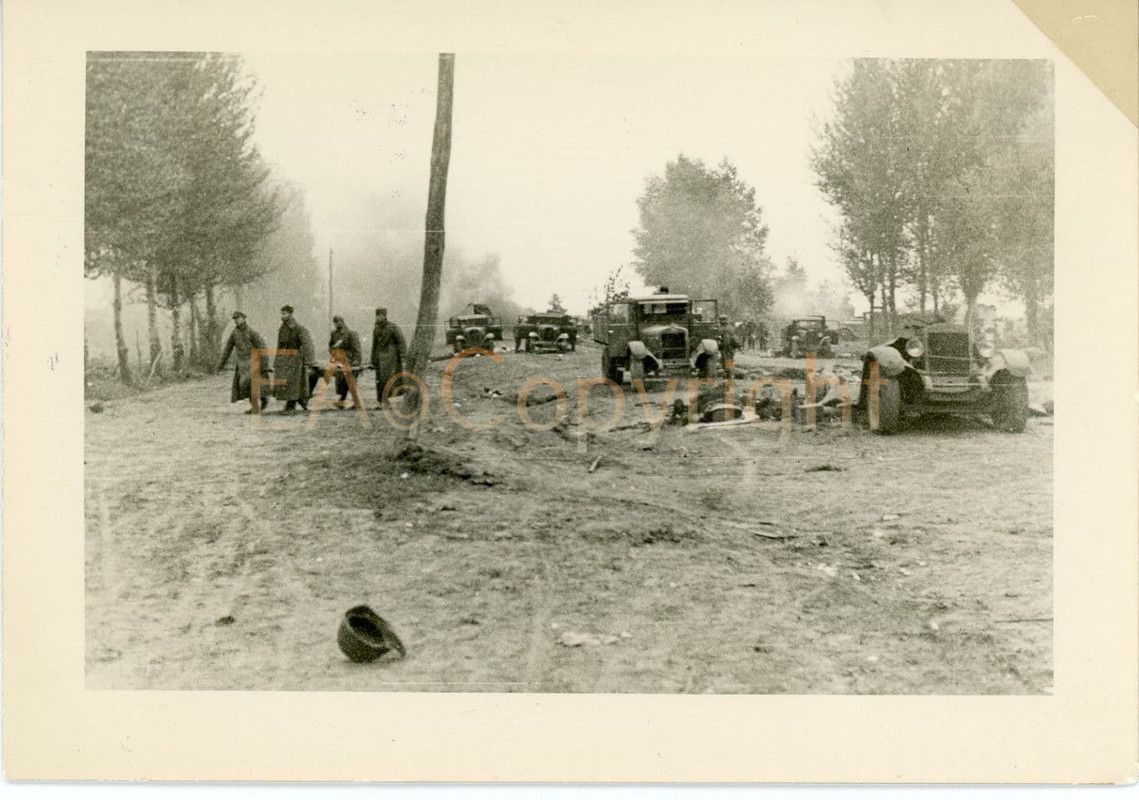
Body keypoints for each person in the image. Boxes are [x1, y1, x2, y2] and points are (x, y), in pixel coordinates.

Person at [217, 311, 271, 414]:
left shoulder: (252, 332)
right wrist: (220, 365)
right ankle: (255, 405)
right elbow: (227, 350)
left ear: (243, 319)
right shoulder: (234, 334)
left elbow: (262, 348)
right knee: (245, 386)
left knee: (255, 385)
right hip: (242, 365)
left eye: (238, 318)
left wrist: (264, 364)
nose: (237, 321)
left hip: (254, 363)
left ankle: (262, 401)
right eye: (235, 319)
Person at [273, 305, 316, 413]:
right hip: (285, 359)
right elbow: (280, 346)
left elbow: (308, 345)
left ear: (290, 314)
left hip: (296, 359)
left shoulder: (299, 328)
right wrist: (277, 360)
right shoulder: (282, 328)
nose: (282, 316)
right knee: (285, 383)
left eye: (284, 314)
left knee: (292, 382)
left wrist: (310, 361)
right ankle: (300, 400)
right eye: (281, 314)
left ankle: (291, 406)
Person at [370, 307, 406, 409]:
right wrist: (373, 360)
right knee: (379, 380)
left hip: (391, 359)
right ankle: (381, 401)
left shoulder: (392, 327)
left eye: (380, 315)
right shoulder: (376, 328)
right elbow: (374, 345)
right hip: (379, 359)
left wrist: (403, 358)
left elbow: (401, 342)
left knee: (388, 379)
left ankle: (387, 401)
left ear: (385, 316)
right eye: (377, 315)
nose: (378, 317)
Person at [327, 315, 363, 406]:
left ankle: (356, 402)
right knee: (341, 381)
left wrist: (356, 361)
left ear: (342, 322)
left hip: (350, 359)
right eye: (335, 322)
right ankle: (342, 400)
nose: (337, 324)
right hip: (339, 360)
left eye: (338, 322)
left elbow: (357, 349)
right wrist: (334, 352)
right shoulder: (334, 334)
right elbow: (330, 346)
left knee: (350, 381)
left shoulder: (350, 333)